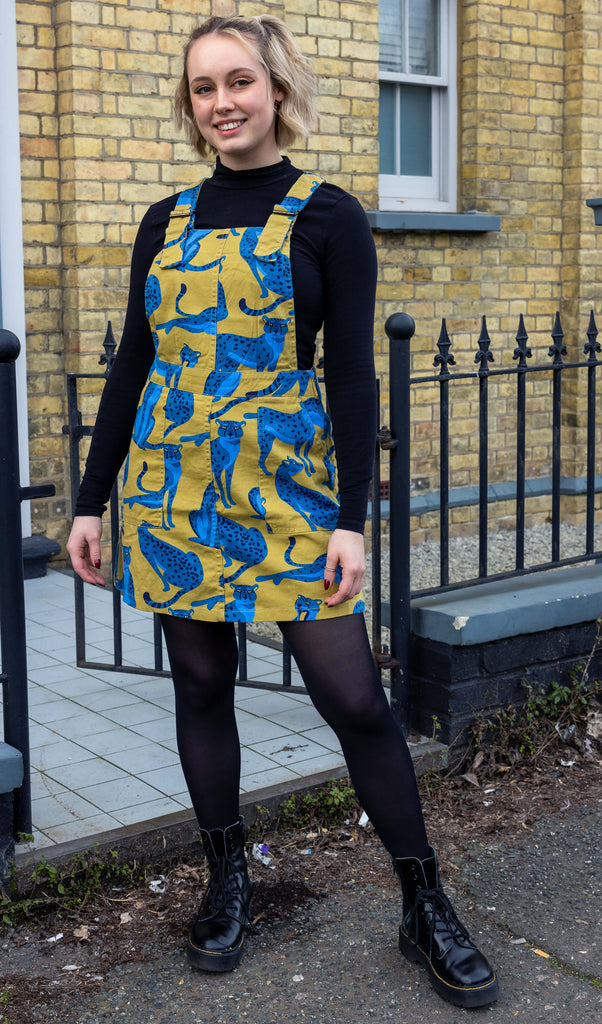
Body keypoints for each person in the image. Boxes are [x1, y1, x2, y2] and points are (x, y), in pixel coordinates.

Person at [66, 13, 498, 1008]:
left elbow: (349, 375)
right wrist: (91, 503)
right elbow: (134, 367)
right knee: (202, 683)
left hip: (286, 496)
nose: (220, 103)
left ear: (275, 88)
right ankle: (228, 880)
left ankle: (420, 900)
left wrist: (349, 518)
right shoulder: (163, 221)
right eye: (203, 88)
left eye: (237, 82)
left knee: (352, 695)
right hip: (174, 495)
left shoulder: (327, 215)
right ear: (190, 104)